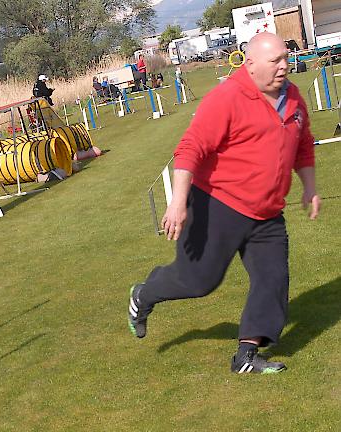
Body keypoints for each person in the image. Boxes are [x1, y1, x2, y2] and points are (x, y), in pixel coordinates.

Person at [127, 32, 320, 374]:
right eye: (274, 61)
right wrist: (178, 202)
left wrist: (310, 188)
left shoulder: (292, 99)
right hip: (217, 204)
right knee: (198, 282)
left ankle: (246, 356)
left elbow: (302, 145)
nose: (284, 67)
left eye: (285, 59)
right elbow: (190, 149)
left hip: (267, 212)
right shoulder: (227, 97)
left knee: (272, 278)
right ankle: (144, 294)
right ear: (250, 64)